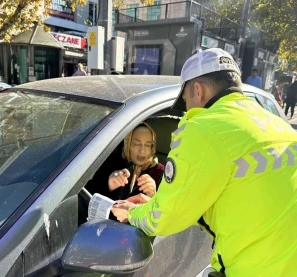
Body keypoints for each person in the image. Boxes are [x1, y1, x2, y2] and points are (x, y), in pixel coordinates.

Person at [112, 48, 297, 277]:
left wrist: (133, 213)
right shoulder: (277, 125)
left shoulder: (204, 128)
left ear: (197, 90)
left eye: (186, 101)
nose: (187, 111)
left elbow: (165, 218)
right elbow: (236, 192)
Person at [85, 122, 164, 200]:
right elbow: (85, 196)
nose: (142, 150)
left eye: (148, 145)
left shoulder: (160, 172)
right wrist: (108, 185)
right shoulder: (111, 162)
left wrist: (153, 195)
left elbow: (166, 209)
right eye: (136, 144)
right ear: (127, 144)